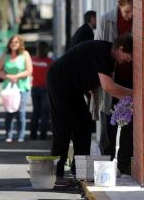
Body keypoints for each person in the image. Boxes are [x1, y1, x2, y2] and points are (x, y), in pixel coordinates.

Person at [47, 33, 133, 178]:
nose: (128, 61)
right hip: (59, 82)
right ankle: (55, 173)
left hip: (74, 89)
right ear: (121, 48)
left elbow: (104, 83)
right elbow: (109, 87)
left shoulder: (110, 57)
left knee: (84, 124)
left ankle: (79, 169)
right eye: (128, 57)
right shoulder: (103, 53)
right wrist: (136, 95)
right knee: (63, 128)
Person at [94, 0, 133, 175]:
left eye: (132, 12)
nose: (130, 15)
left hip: (131, 78)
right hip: (110, 78)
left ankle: (124, 164)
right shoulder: (106, 20)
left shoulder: (139, 19)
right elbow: (98, 48)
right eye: (127, 12)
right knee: (109, 122)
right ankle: (107, 164)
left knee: (128, 123)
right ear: (119, 5)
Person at [0, 35, 33, 142]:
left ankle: (21, 136)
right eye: (12, 42)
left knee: (20, 112)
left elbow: (29, 71)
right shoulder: (5, 55)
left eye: (16, 42)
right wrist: (7, 76)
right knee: (9, 112)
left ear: (20, 44)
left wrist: (16, 76)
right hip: (9, 88)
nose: (14, 44)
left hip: (22, 87)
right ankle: (8, 135)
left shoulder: (25, 54)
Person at [30, 41, 53, 140]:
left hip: (34, 88)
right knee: (45, 113)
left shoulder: (32, 60)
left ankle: (33, 135)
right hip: (46, 89)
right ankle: (42, 135)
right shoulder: (49, 62)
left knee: (36, 112)